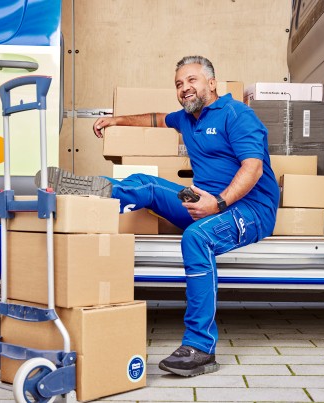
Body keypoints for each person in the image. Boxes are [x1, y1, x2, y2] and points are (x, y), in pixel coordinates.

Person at [41, 56, 279, 377]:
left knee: (197, 238)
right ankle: (86, 192)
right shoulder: (187, 117)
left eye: (192, 80)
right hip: (200, 200)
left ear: (212, 83)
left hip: (248, 210)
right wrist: (116, 120)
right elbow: (155, 119)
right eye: (179, 84)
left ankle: (200, 347)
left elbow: (254, 168)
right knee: (147, 183)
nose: (184, 88)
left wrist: (218, 203)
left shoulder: (237, 115)